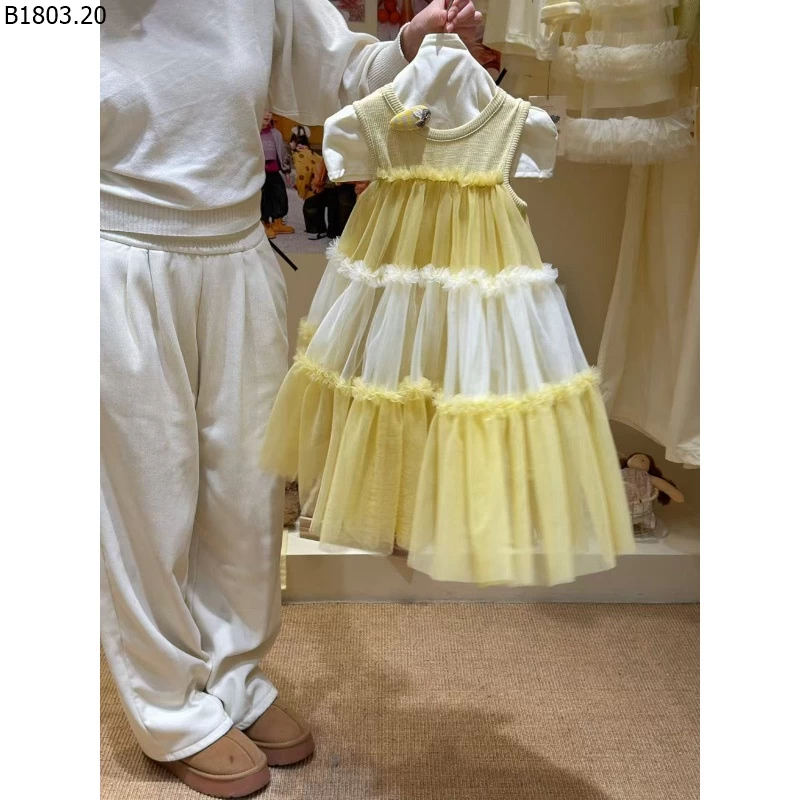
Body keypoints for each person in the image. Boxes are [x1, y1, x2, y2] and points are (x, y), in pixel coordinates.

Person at [100, 0, 481, 797]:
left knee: (246, 490)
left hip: (238, 251)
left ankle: (233, 678)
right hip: (114, 251)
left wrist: (409, 46)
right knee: (146, 495)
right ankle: (169, 707)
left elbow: (336, 70)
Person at [260, 112, 295, 239]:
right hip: (260, 174)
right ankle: (264, 223)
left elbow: (283, 152)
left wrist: (286, 171)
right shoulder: (254, 134)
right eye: (264, 111)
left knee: (280, 195)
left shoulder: (276, 134)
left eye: (269, 112)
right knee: (263, 198)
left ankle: (277, 222)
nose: (267, 115)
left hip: (274, 172)